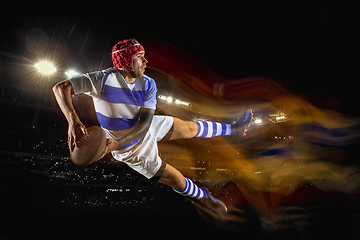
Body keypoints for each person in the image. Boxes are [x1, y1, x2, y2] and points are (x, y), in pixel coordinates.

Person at [52, 39, 253, 214]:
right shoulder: (102, 80)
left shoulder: (148, 83)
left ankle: (234, 129)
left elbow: (144, 124)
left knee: (190, 128)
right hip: (130, 149)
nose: (146, 61)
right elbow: (60, 87)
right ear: (126, 61)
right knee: (177, 180)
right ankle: (204, 198)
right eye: (140, 57)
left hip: (143, 126)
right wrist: (73, 120)